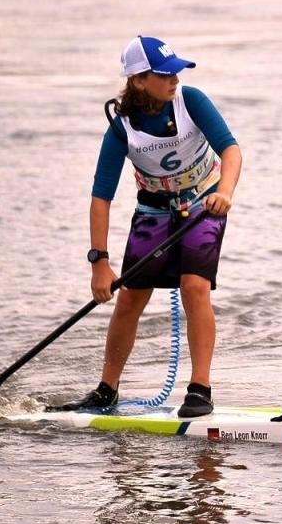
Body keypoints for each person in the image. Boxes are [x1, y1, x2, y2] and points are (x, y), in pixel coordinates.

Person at [57, 35, 242, 418]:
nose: (175, 79)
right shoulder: (122, 128)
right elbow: (100, 197)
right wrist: (99, 263)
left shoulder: (191, 101)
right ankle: (106, 391)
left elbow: (231, 150)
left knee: (195, 287)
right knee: (129, 299)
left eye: (176, 71)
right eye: (165, 74)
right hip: (153, 213)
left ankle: (200, 390)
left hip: (204, 205)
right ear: (139, 80)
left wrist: (224, 190)